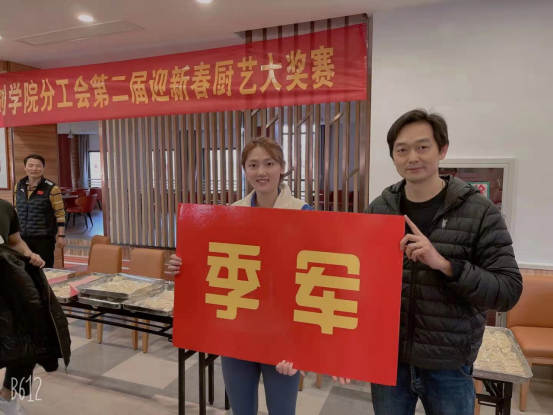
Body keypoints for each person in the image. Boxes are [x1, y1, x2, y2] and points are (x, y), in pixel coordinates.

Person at [364, 109, 523, 415]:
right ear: (393, 156)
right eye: (402, 149)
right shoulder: (379, 208)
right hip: (389, 360)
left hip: (448, 366)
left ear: (442, 150)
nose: (412, 157)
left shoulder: (479, 211)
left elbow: (508, 291)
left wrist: (445, 265)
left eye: (423, 147)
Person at [169, 137, 312, 415]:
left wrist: (302, 347)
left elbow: (311, 278)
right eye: (253, 165)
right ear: (244, 170)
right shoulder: (232, 213)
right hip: (238, 330)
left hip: (282, 334)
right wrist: (183, 266)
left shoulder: (304, 213)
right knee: (241, 410)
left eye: (269, 164)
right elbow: (214, 265)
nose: (261, 172)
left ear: (282, 167)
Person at [0, 198, 70, 415]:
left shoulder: (4, 207)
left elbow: (15, 241)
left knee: (27, 345)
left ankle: (6, 399)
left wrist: (29, 254)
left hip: (9, 289)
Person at [15, 154, 66, 268]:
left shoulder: (52, 188)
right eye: (30, 165)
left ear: (43, 168)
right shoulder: (18, 186)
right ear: (25, 167)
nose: (34, 169)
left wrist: (61, 236)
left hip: (43, 238)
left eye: (38, 166)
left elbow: (60, 214)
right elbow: (15, 209)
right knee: (23, 270)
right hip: (22, 238)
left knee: (44, 269)